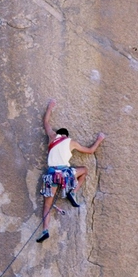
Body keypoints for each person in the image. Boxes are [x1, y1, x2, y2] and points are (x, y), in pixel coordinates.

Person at [37, 98, 105, 243]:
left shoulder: (52, 137)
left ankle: (45, 230)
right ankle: (72, 191)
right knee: (84, 170)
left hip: (51, 176)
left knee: (47, 205)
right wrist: (99, 139)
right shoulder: (71, 142)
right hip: (65, 175)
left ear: (58, 134)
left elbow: (46, 122)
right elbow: (90, 150)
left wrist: (50, 106)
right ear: (66, 135)